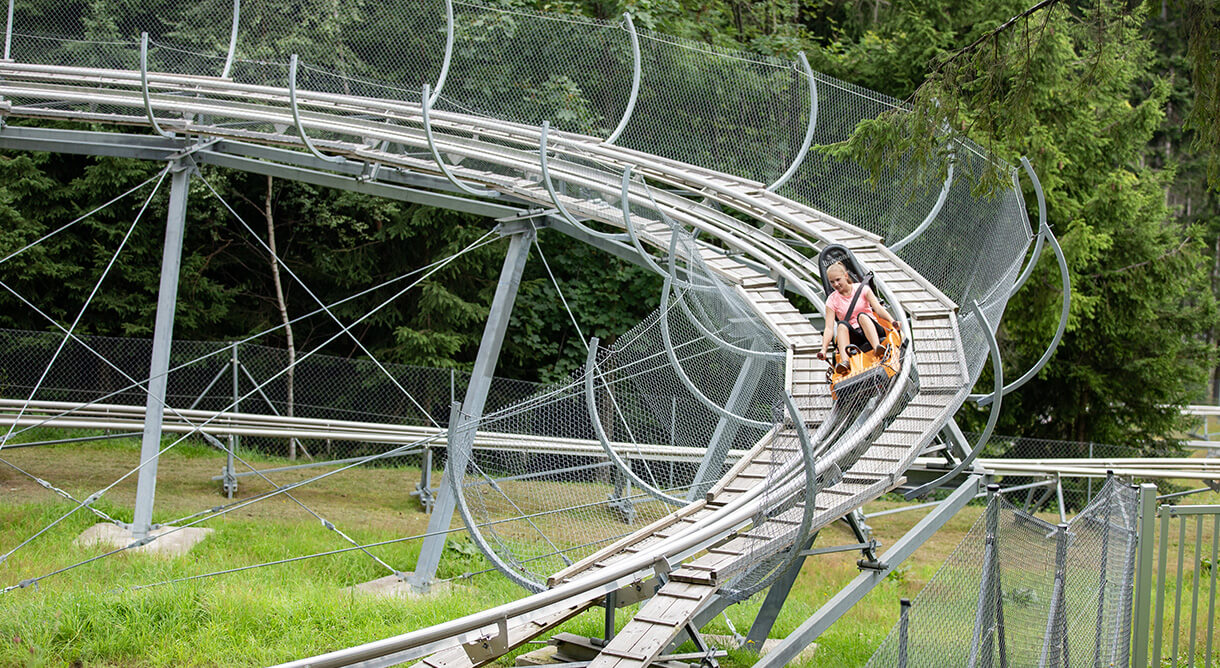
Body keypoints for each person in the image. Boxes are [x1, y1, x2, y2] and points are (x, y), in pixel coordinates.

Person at [817, 262, 895, 372]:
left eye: (838, 280)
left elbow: (878, 308)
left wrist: (893, 321)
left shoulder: (862, 289)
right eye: (832, 282)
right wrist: (823, 349)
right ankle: (845, 362)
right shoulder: (831, 300)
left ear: (846, 276)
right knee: (841, 325)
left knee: (862, 316)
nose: (836, 284)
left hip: (872, 328)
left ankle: (877, 347)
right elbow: (829, 328)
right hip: (855, 335)